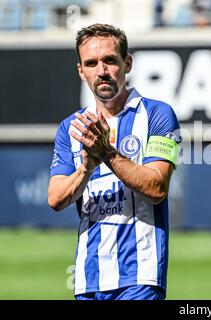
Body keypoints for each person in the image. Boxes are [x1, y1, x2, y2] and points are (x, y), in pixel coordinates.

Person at [47, 23, 181, 300]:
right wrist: (86, 167)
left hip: (140, 276)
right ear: (80, 71)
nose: (102, 71)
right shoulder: (70, 127)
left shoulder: (158, 115)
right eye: (91, 63)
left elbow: (157, 188)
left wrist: (106, 153)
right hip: (88, 278)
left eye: (110, 60)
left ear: (127, 63)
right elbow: (56, 198)